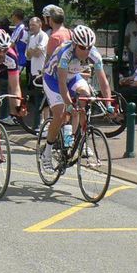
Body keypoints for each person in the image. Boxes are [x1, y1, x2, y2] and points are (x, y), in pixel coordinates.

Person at [40, 25, 115, 170]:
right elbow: (62, 84)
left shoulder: (94, 54)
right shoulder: (65, 53)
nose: (86, 51)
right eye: (82, 47)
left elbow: (103, 81)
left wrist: (108, 104)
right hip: (53, 80)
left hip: (73, 77)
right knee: (61, 113)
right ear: (74, 44)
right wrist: (68, 105)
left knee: (86, 97)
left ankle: (77, 139)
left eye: (89, 47)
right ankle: (47, 152)